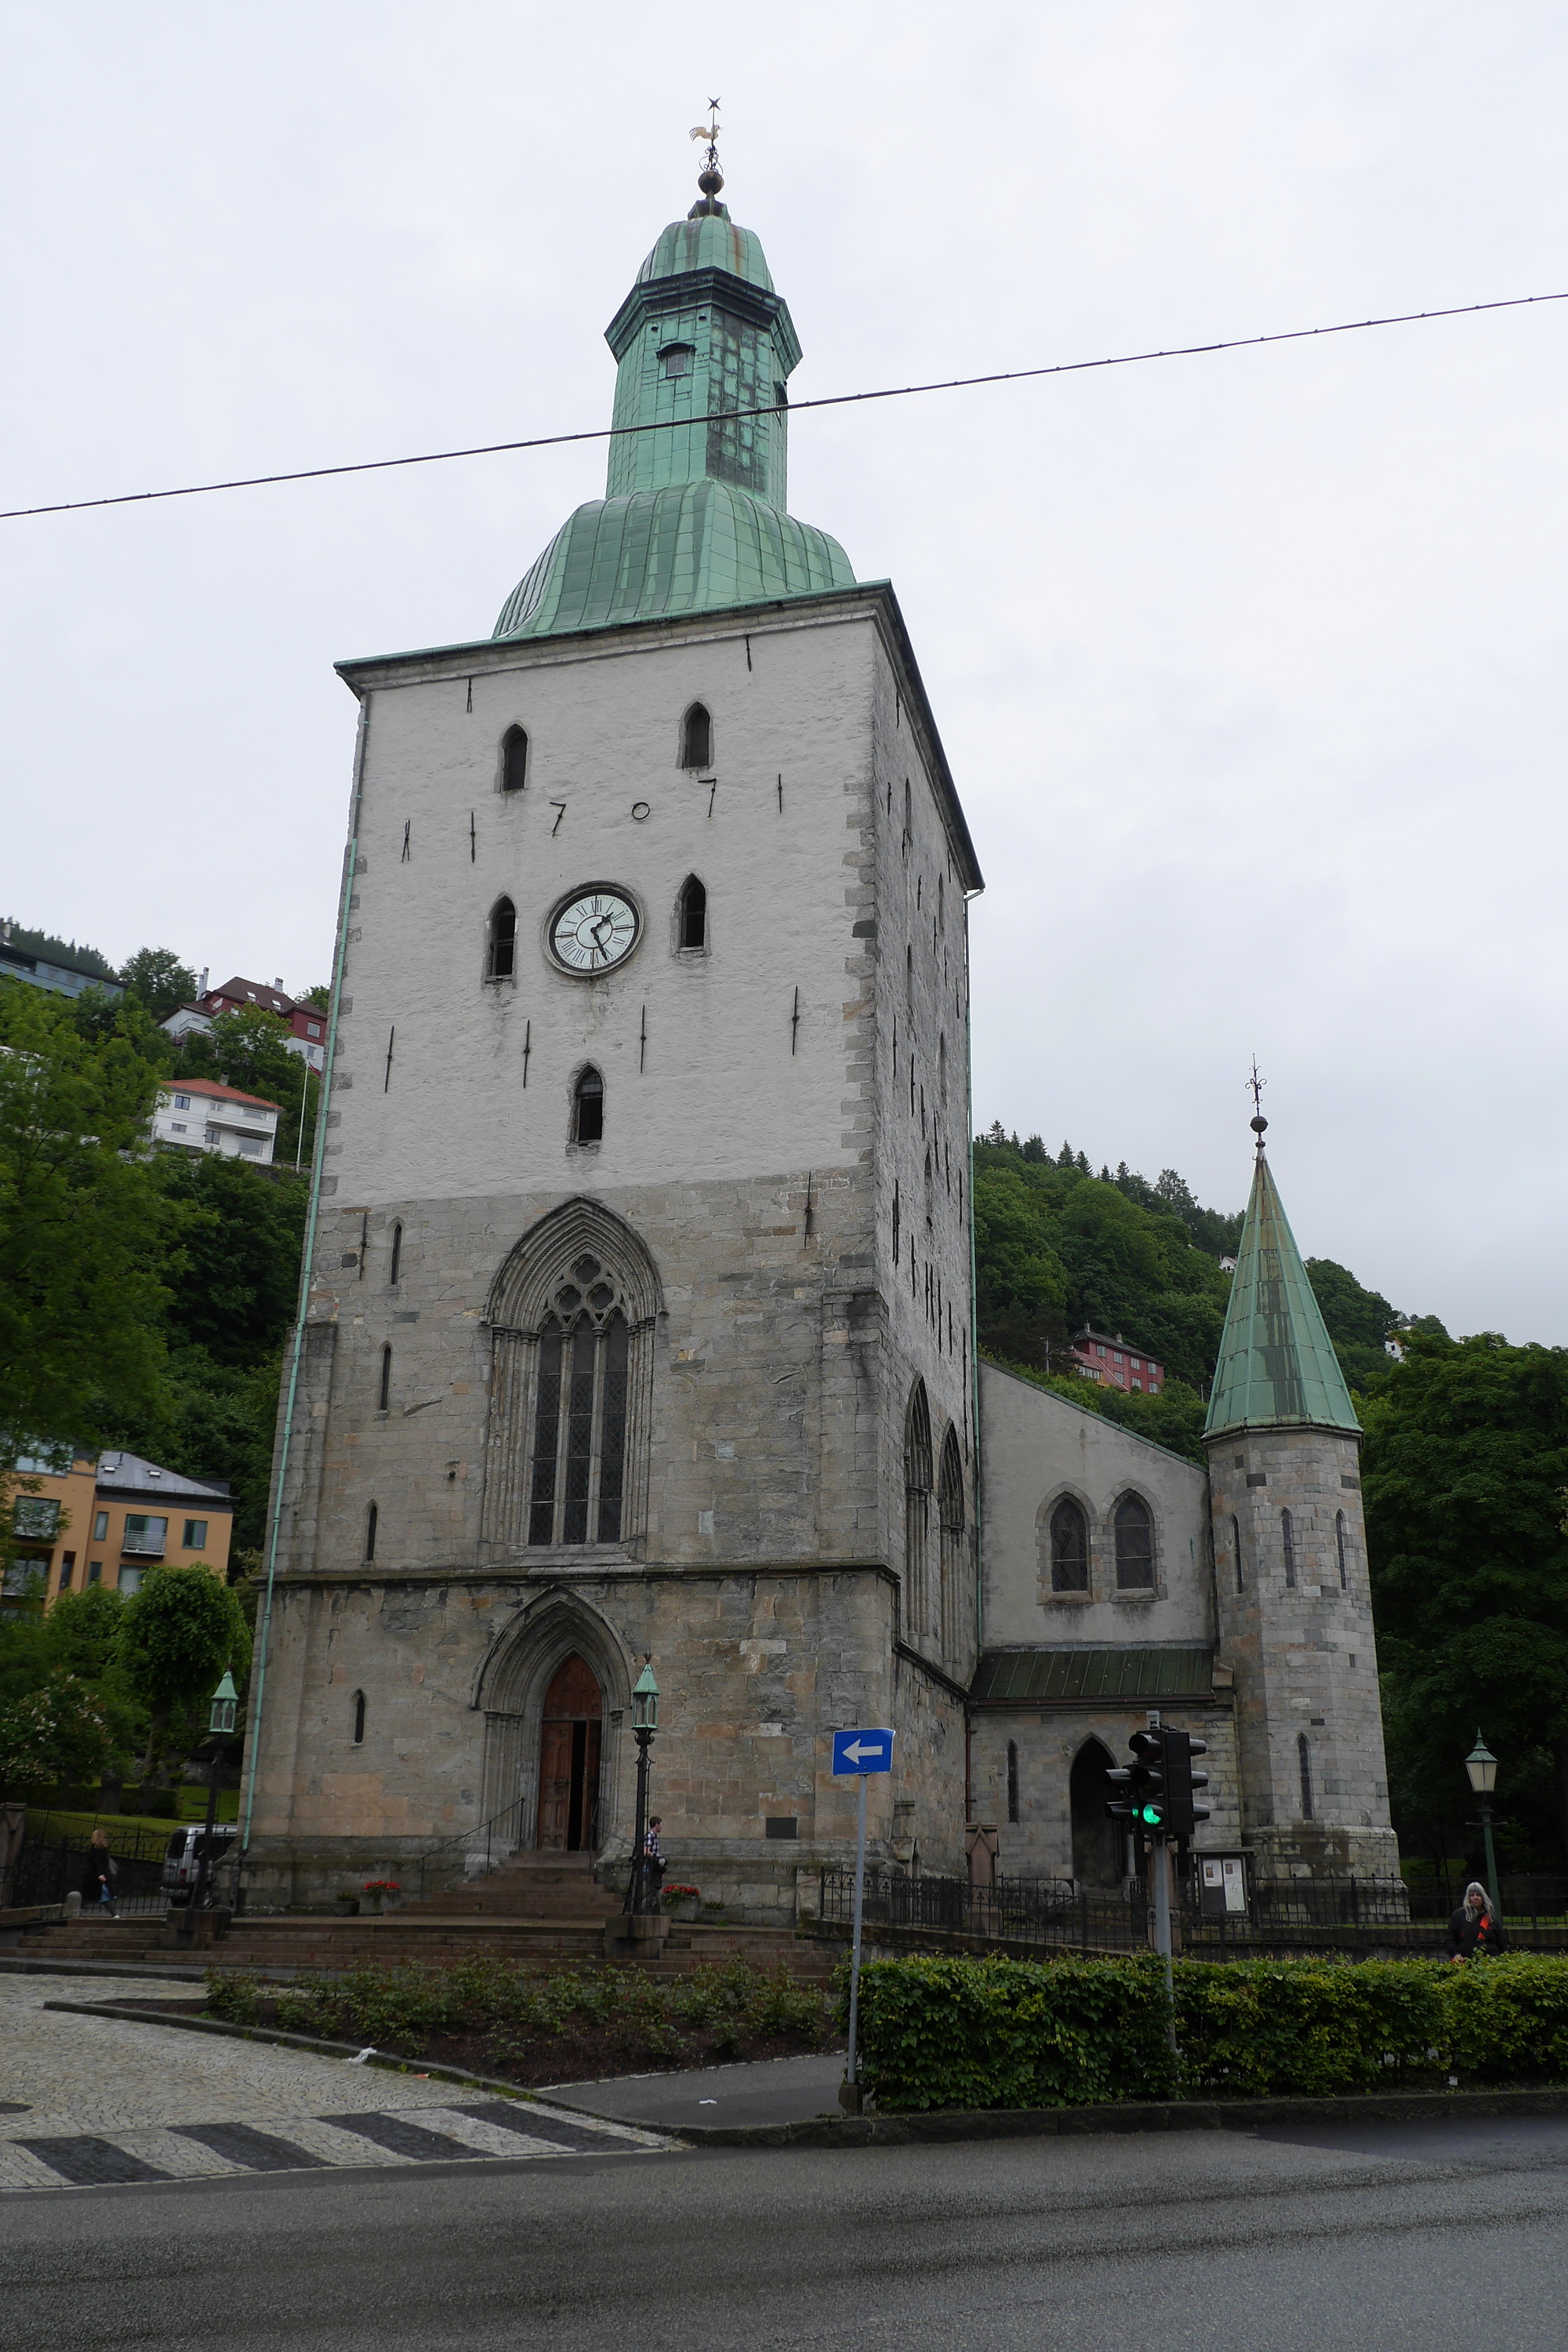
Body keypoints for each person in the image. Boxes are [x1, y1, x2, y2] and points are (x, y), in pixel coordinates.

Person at [1446, 1880, 1504, 1960]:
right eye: (1472, 1895)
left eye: (1478, 1895)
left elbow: (1502, 1942)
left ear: (1483, 1898)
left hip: (1489, 1963)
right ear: (1468, 1898)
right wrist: (1456, 1954)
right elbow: (1450, 1939)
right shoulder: (1458, 1916)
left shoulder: (1490, 1918)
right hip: (1465, 1962)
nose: (1475, 1897)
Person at [82, 1828, 117, 1918]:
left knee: (99, 1895)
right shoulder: (104, 1849)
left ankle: (114, 1914)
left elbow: (98, 1863)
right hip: (101, 1874)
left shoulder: (94, 1849)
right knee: (100, 1895)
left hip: (94, 1875)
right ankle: (114, 1914)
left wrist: (100, 1874)